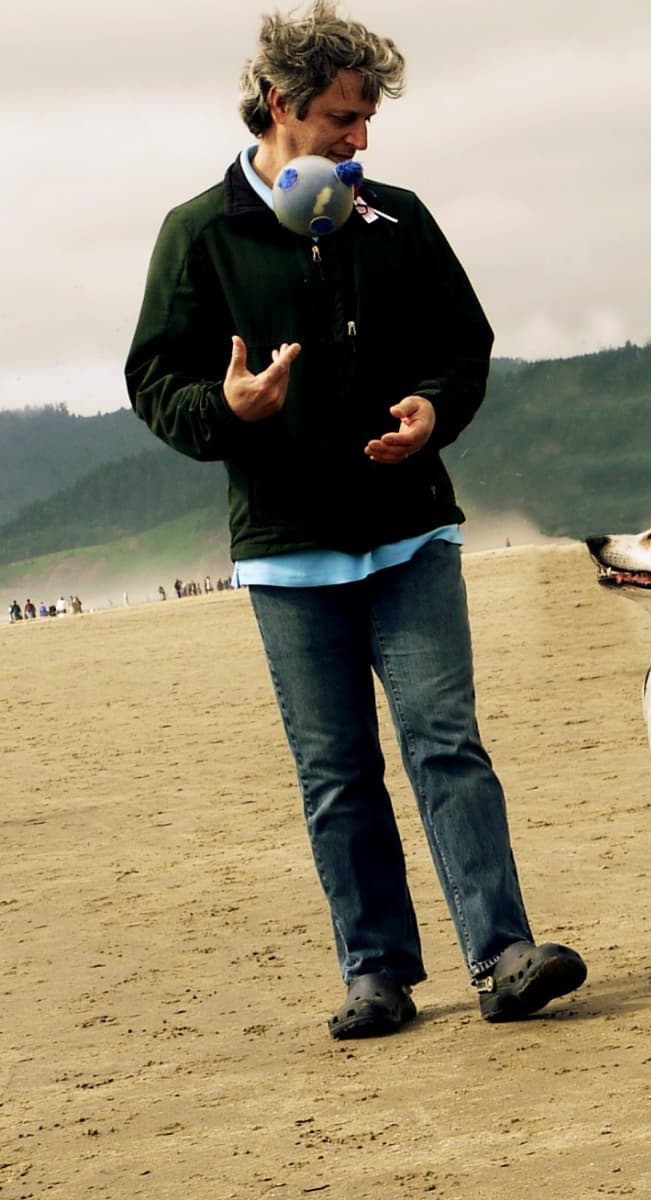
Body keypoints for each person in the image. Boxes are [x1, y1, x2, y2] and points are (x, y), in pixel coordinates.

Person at [125, 1, 585, 1039]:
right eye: (343, 117)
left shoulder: (399, 218)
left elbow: (463, 349)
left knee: (446, 743)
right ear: (279, 106)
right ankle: (377, 974)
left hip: (411, 533)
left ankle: (504, 954)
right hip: (288, 554)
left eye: (370, 118)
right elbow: (156, 381)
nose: (362, 140)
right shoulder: (199, 234)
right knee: (337, 773)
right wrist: (225, 411)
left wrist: (434, 409)